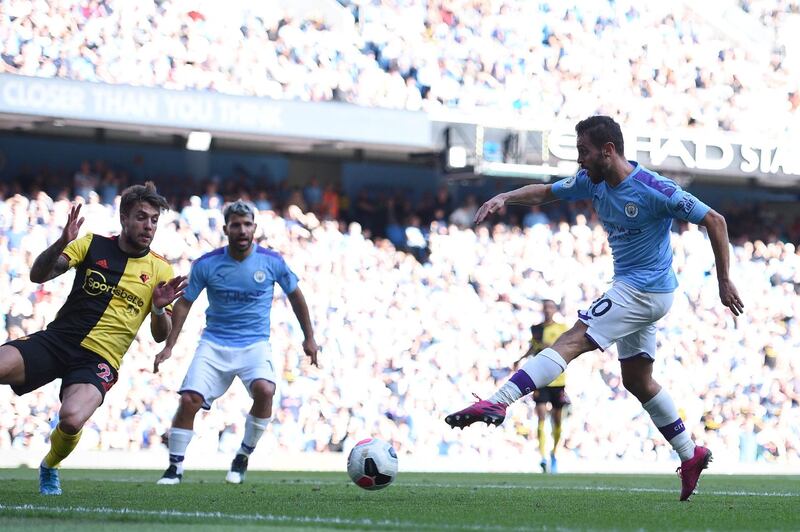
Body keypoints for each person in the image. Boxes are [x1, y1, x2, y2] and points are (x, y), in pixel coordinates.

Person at [445, 115, 744, 501]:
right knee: (637, 380)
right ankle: (691, 454)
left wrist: (723, 280)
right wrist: (505, 197)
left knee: (574, 338)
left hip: (642, 290)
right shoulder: (592, 180)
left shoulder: (655, 188)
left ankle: (498, 402)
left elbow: (714, 220)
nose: (579, 161)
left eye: (584, 152)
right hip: (640, 290)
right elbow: (545, 192)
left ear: (608, 150)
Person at [0, 182, 187, 495]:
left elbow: (160, 335)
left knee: (71, 420)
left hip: (99, 359)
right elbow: (38, 275)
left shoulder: (160, 268)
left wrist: (157, 308)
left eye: (154, 220)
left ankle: (49, 466)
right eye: (142, 217)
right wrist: (61, 242)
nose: (148, 226)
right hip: (57, 340)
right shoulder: (92, 244)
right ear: (124, 217)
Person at [153, 200, 319, 485]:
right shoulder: (207, 264)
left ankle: (243, 454)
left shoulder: (272, 262)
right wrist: (169, 345)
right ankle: (174, 468)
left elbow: (296, 296)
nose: (242, 230)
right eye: (236, 225)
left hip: (254, 344)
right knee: (189, 399)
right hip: (214, 343)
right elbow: (184, 304)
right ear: (226, 229)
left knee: (265, 390)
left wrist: (310, 338)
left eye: (247, 224)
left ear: (254, 227)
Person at [514, 299, 569, 474]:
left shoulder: (562, 328)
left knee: (557, 419)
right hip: (540, 378)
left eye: (550, 307)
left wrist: (550, 348)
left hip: (558, 379)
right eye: (545, 308)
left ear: (555, 310)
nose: (547, 311)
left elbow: (567, 348)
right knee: (541, 417)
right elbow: (534, 347)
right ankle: (543, 457)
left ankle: (554, 453)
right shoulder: (536, 329)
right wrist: (521, 358)